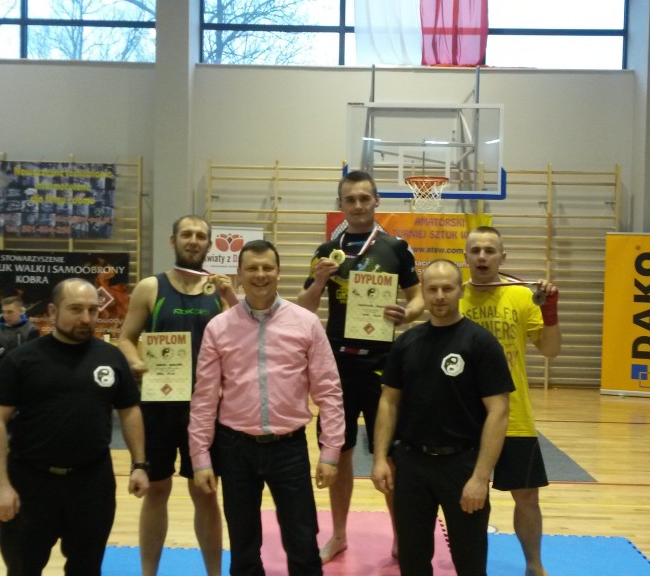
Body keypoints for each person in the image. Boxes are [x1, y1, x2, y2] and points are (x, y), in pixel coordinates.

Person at [190, 239, 344, 576]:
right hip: (235, 449)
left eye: (267, 268)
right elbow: (204, 398)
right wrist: (200, 458)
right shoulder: (219, 327)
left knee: (303, 545)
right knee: (243, 549)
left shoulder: (306, 323)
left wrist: (331, 452)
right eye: (252, 268)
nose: (260, 274)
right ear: (239, 276)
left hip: (289, 449)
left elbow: (329, 391)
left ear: (278, 272)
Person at [296, 170, 424, 563]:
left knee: (392, 456)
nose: (357, 205)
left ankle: (401, 535)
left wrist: (406, 315)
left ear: (376, 201)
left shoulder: (396, 248)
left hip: (384, 367)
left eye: (364, 198)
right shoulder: (326, 250)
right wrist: (318, 281)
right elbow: (304, 309)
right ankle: (338, 534)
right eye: (349, 199)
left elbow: (417, 297)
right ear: (340, 204)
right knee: (340, 452)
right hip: (337, 365)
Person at [0, 278, 150, 575]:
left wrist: (139, 464)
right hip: (30, 483)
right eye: (75, 309)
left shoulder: (111, 357)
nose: (86, 318)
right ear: (52, 311)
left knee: (86, 568)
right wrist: (1, 486)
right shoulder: (22, 359)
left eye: (92, 310)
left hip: (92, 483)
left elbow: (129, 410)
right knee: (23, 568)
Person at [371, 259, 513, 576]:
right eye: (432, 289)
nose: (439, 296)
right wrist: (380, 458)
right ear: (422, 292)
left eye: (447, 288)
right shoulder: (406, 343)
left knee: (469, 561)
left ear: (460, 291)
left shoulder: (481, 343)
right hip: (411, 464)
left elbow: (499, 412)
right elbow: (388, 402)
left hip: (462, 466)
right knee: (412, 560)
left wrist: (480, 477)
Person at [117, 214, 236, 576]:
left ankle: (214, 573)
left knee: (206, 492)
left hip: (206, 409)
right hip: (158, 407)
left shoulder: (218, 291)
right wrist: (134, 361)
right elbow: (126, 338)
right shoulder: (150, 287)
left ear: (209, 244)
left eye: (200, 236)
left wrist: (231, 297)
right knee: (156, 491)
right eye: (186, 234)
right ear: (173, 241)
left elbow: (240, 341)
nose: (193, 240)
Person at [460, 226, 560, 576]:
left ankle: (534, 565)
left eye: (490, 250)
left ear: (502, 257)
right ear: (466, 256)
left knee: (527, 496)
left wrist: (550, 311)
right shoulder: (454, 296)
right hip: (464, 419)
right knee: (468, 500)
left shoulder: (521, 296)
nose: (482, 256)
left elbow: (550, 350)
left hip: (514, 416)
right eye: (475, 250)